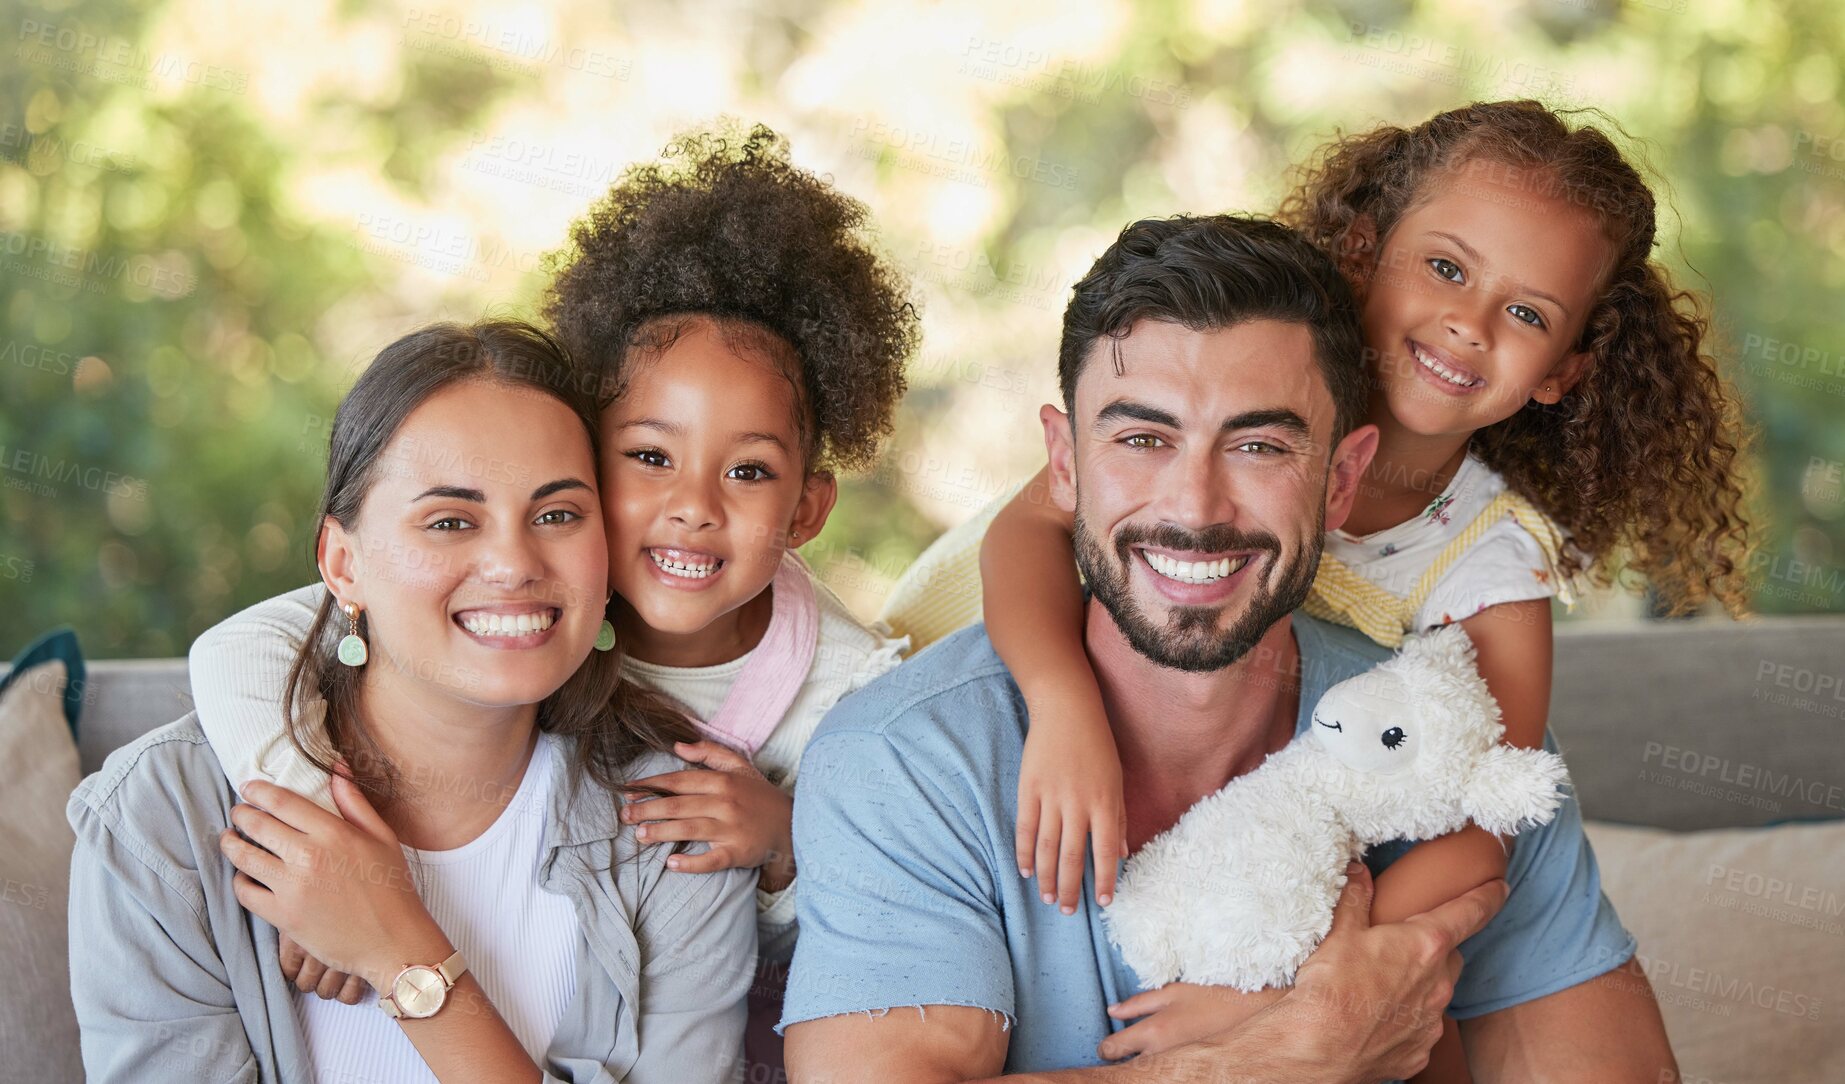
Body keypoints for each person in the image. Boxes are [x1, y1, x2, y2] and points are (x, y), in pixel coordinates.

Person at [886, 101, 1747, 1076]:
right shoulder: (1214, 403)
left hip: (1213, 801)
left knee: (1440, 1033)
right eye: (1448, 268)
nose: (1470, 322)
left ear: (1565, 368)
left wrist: (1292, 981)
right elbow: (1026, 534)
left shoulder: (1494, 568)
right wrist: (1061, 704)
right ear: (1360, 252)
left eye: (1527, 313)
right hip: (973, 673)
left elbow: (1476, 826)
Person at [186, 125, 918, 1076]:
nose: (692, 509)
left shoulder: (847, 695)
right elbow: (237, 651)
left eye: (746, 471)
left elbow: (886, 913)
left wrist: (783, 844)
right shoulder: (531, 582)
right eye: (648, 458)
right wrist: (322, 841)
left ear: (808, 506)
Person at [68, 321, 757, 1082]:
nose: (512, 564)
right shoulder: (163, 818)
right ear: (342, 563)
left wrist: (402, 953)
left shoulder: (680, 830)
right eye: (450, 521)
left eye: (557, 514)